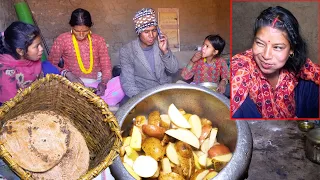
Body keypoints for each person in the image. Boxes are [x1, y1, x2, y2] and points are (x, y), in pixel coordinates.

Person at [231, 6, 320, 118]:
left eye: (277, 47)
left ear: (291, 50)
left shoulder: (298, 63)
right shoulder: (242, 66)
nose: (266, 55)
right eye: (260, 43)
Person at [48, 8, 124, 106]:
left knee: (122, 82)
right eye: (77, 31)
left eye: (85, 31)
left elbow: (106, 65)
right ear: (71, 26)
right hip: (73, 85)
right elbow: (50, 65)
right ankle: (100, 104)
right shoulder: (62, 39)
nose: (81, 35)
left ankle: (98, 103)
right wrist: (67, 73)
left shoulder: (98, 40)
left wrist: (104, 83)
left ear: (90, 27)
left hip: (96, 84)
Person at [119, 8, 179, 98]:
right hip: (142, 94)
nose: (151, 35)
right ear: (138, 33)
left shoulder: (160, 44)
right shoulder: (127, 50)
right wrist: (142, 100)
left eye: (154, 30)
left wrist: (165, 51)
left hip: (164, 91)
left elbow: (173, 69)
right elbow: (128, 82)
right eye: (146, 32)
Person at [0, 21, 59, 104]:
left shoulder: (29, 59)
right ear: (20, 51)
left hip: (32, 94)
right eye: (36, 46)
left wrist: (66, 73)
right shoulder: (7, 75)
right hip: (17, 106)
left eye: (40, 44)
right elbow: (12, 107)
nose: (41, 49)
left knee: (48, 67)